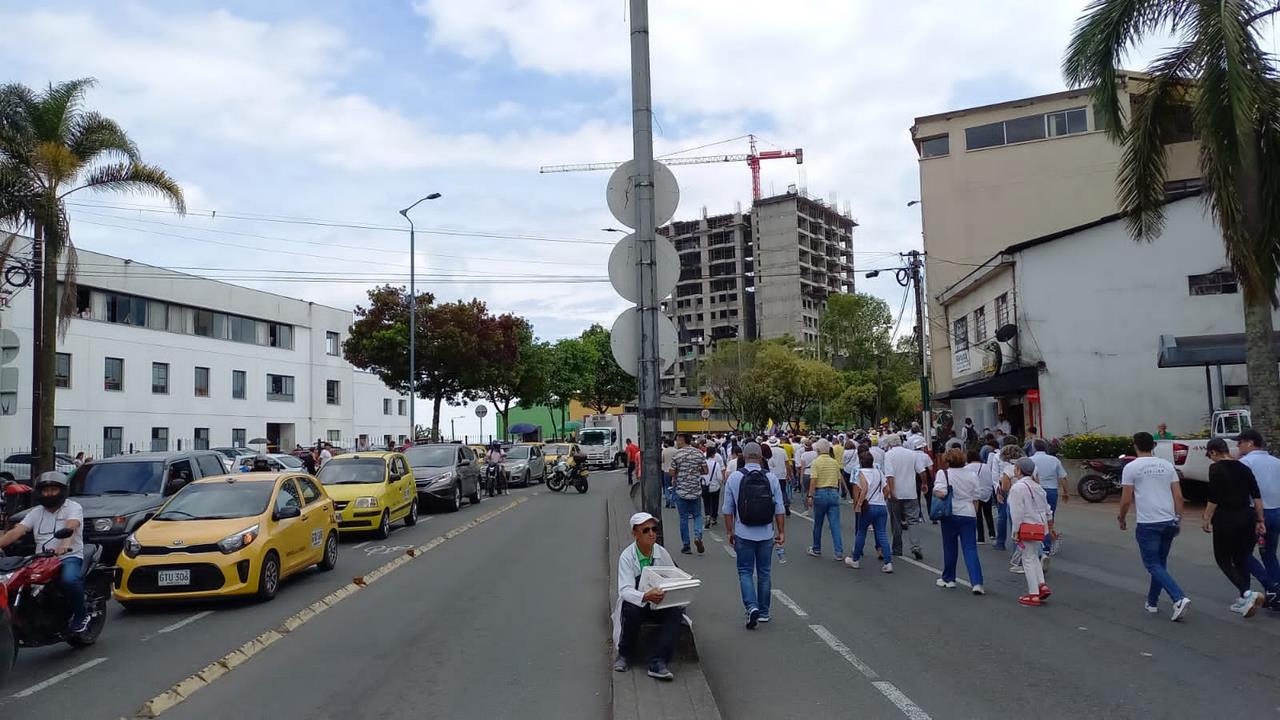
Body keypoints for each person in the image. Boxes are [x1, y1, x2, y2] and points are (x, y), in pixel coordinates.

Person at [0, 472, 88, 632]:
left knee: (69, 580)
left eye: (53, 490)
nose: (48, 494)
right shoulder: (36, 512)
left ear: (62, 490)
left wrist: (64, 545)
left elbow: (71, 526)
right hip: (41, 559)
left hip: (68, 556)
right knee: (16, 580)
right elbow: (18, 530)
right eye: (45, 490)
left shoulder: (73, 507)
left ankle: (81, 615)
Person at [1119, 432, 1191, 621]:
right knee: (1160, 564)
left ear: (1135, 446)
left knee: (1152, 564)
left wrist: (1121, 517)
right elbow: (1178, 496)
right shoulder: (1167, 465)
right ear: (1153, 446)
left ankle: (1179, 597)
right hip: (1168, 520)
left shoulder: (1131, 467)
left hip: (1148, 522)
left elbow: (1126, 499)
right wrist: (1178, 518)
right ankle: (1152, 601)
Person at [612, 512, 683, 681]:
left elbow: (673, 575)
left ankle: (659, 661)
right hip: (639, 602)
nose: (652, 533)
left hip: (658, 603)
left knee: (676, 613)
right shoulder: (627, 557)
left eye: (654, 529)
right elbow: (625, 590)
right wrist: (644, 596)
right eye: (646, 530)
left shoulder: (662, 553)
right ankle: (625, 654)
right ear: (635, 534)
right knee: (631, 609)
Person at [722, 442, 786, 629]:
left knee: (745, 571)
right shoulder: (771, 478)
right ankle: (764, 612)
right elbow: (779, 508)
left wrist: (729, 531)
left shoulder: (735, 477)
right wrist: (781, 531)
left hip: (743, 532)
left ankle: (751, 607)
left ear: (743, 456)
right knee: (764, 572)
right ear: (760, 457)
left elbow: (727, 510)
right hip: (766, 533)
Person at [1202, 438, 1267, 618]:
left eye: (1210, 455)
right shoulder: (1244, 468)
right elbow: (1256, 497)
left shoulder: (1215, 469)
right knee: (1241, 557)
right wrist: (1260, 520)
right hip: (1247, 517)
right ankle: (1244, 599)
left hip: (1226, 518)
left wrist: (1206, 517)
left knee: (1222, 558)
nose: (1211, 459)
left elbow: (1214, 497)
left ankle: (1247, 593)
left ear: (1214, 452)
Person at [1237, 429, 1280, 608]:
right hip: (1277, 511)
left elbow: (1240, 490)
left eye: (1240, 443)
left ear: (1250, 443)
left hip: (1255, 513)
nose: (1238, 446)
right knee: (1269, 553)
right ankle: (1277, 593)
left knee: (1241, 553)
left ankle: (1268, 587)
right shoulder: (1276, 462)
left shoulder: (1245, 463)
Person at [933, 448, 985, 594]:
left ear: (947, 460)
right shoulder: (972, 475)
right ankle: (977, 582)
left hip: (950, 513)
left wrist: (936, 492)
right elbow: (976, 497)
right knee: (970, 548)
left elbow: (940, 492)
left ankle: (949, 578)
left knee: (950, 547)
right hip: (968, 513)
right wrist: (973, 512)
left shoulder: (943, 474)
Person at [1008, 457, 1053, 607]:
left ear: (1019, 470)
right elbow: (1047, 509)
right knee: (1034, 556)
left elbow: (1017, 512)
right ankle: (1041, 584)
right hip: (1040, 527)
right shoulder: (1037, 486)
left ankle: (1033, 593)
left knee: (1027, 559)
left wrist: (1015, 530)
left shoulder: (1017, 488)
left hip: (1026, 526)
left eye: (1016, 467)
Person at [847, 451, 893, 572]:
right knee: (882, 534)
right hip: (881, 505)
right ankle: (888, 563)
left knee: (861, 532)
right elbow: (887, 488)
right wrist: (883, 498)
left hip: (868, 506)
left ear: (861, 462)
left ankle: (855, 559)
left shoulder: (861, 473)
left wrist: (859, 504)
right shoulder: (879, 472)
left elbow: (864, 488)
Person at [883, 434, 924, 561]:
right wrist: (924, 483)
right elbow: (921, 471)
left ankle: (897, 548)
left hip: (896, 492)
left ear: (890, 444)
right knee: (913, 520)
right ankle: (915, 546)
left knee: (896, 521)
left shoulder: (889, 455)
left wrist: (891, 491)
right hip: (911, 492)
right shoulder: (912, 454)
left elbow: (889, 475)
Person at [806, 439, 845, 561]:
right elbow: (839, 479)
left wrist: (810, 495)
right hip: (833, 492)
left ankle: (816, 548)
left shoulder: (816, 462)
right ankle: (838, 551)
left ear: (817, 450)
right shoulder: (834, 462)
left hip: (820, 492)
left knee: (818, 523)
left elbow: (813, 480)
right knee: (835, 525)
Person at [1029, 439, 1069, 556]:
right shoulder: (1054, 460)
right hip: (1051, 490)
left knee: (1035, 517)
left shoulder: (1030, 460)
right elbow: (1062, 477)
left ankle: (1039, 543)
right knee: (1049, 517)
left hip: (1036, 490)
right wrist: (1066, 492)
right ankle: (1047, 545)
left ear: (1034, 448)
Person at [671, 433, 709, 555]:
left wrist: (679, 472)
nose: (676, 443)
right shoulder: (699, 453)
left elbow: (671, 472)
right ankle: (698, 536)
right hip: (695, 490)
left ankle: (686, 545)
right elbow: (705, 470)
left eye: (677, 440)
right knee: (697, 515)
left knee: (683, 518)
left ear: (682, 440)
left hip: (681, 490)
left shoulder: (677, 454)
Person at [968, 449, 996, 544]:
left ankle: (981, 538)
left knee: (978, 515)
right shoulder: (986, 467)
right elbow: (990, 478)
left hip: (975, 494)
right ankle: (992, 533)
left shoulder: (967, 467)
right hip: (987, 493)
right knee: (988, 515)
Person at [766, 438, 793, 515]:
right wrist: (789, 474)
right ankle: (785, 505)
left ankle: (773, 507)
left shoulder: (768, 451)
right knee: (783, 490)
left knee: (771, 491)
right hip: (781, 474)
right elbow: (787, 463)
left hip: (771, 474)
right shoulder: (782, 451)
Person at [702, 445, 726, 529]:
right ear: (714, 454)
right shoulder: (716, 464)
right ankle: (713, 517)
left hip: (705, 485)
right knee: (715, 502)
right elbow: (719, 476)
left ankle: (707, 515)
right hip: (715, 485)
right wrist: (721, 482)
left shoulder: (703, 462)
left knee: (706, 501)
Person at [660, 438, 677, 509]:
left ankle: (667, 500)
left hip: (666, 470)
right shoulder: (676, 451)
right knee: (674, 487)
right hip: (675, 471)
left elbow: (662, 460)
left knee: (666, 486)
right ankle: (673, 502)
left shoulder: (664, 451)